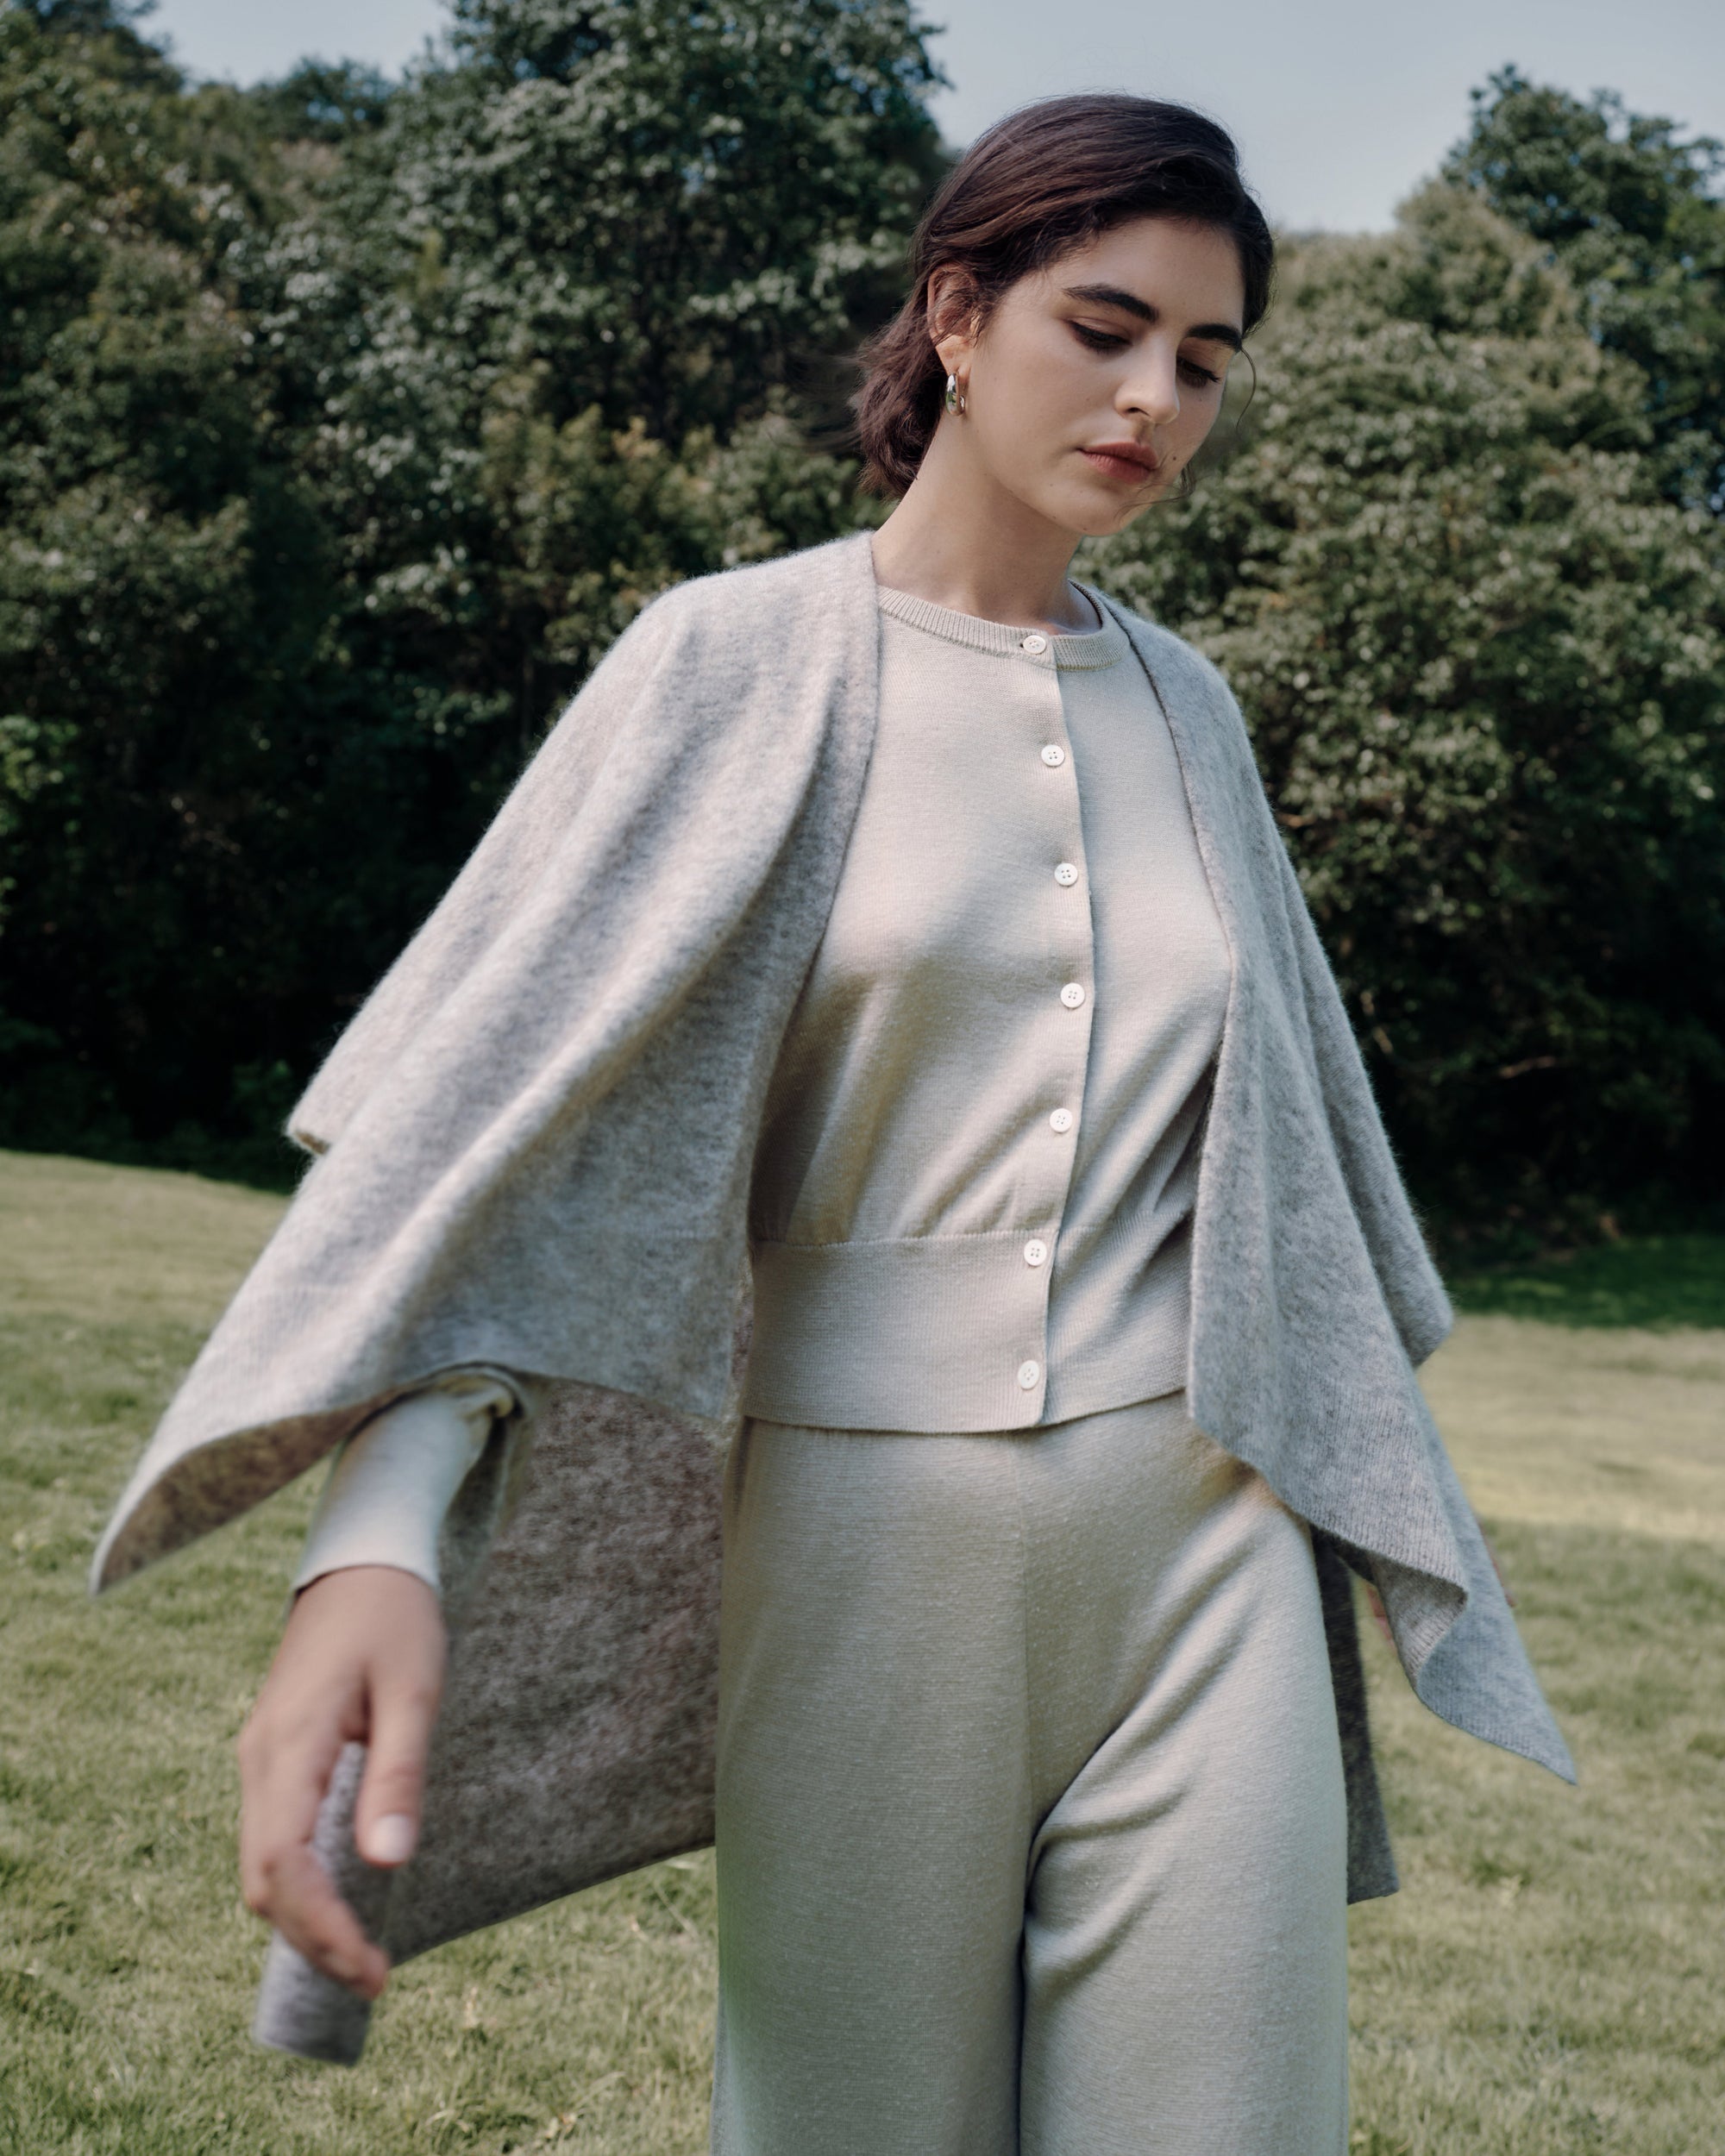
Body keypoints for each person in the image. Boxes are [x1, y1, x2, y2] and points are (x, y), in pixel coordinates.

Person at [90, 93, 1572, 2156]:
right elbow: (501, 1149)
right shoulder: (726, 659)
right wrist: (373, 1539)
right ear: (956, 315)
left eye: (1204, 361)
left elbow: (1291, 1180)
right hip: (855, 1562)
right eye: (1103, 328)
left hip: (1211, 1539)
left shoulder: (1195, 715)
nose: (1153, 399)